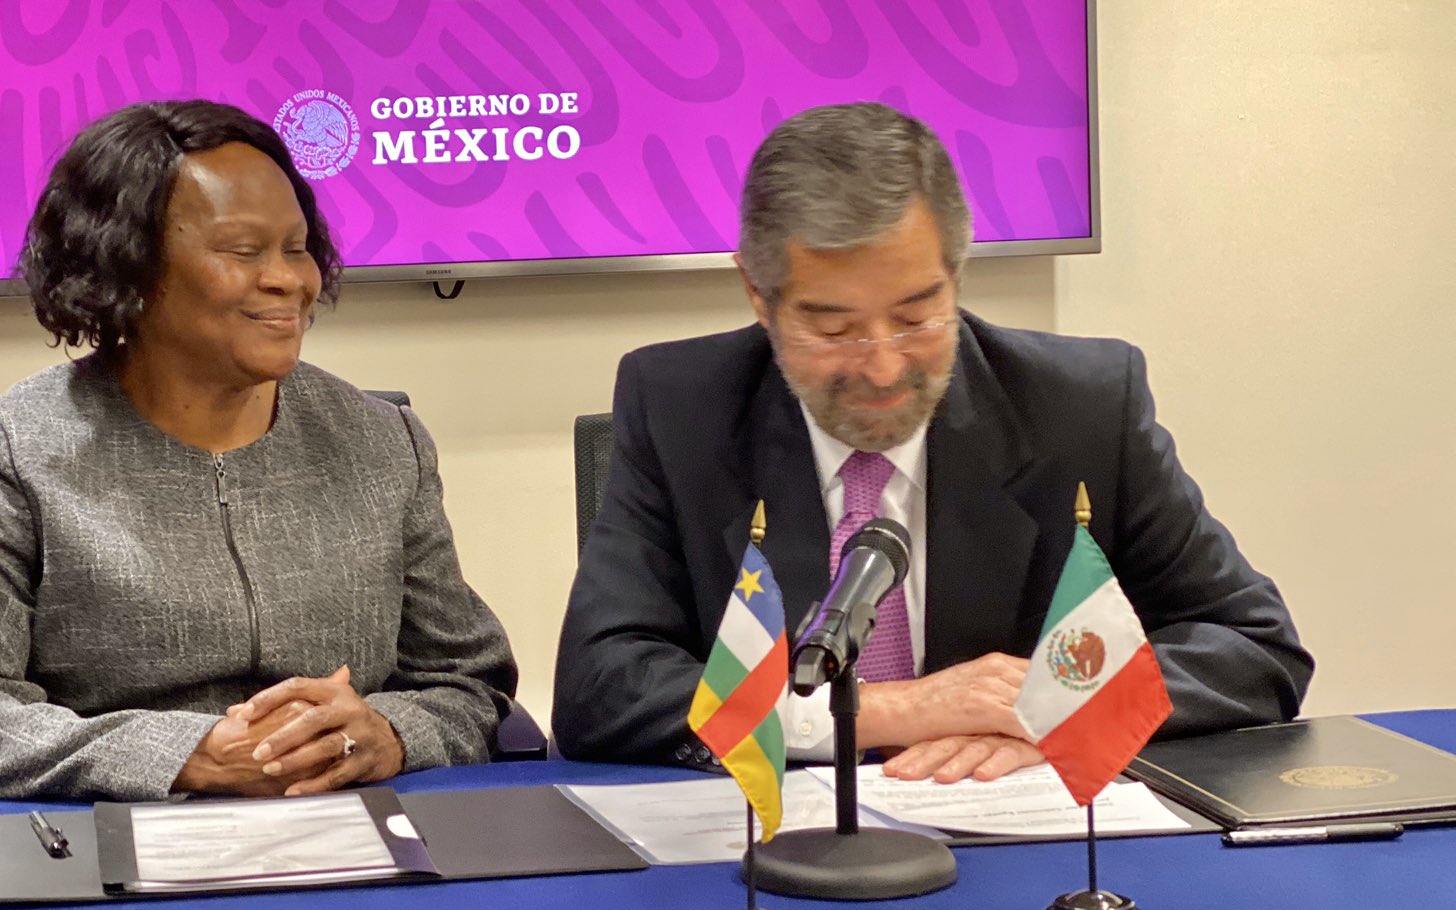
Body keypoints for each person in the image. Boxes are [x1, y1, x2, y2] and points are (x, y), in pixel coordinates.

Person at [555, 102, 1311, 782]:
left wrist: (1054, 712)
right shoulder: (681, 408)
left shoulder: (1080, 406)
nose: (883, 367)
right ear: (758, 294)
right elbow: (601, 688)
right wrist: (888, 711)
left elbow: (1253, 647)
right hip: (768, 855)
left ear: (956, 274)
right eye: (833, 329)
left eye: (917, 317)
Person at [0, 100, 517, 801]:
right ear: (127, 268)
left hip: (352, 826)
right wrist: (191, 756)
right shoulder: (13, 451)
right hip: (113, 833)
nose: (290, 280)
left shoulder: (382, 442)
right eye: (243, 251)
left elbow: (469, 684)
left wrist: (387, 734)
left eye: (297, 247)